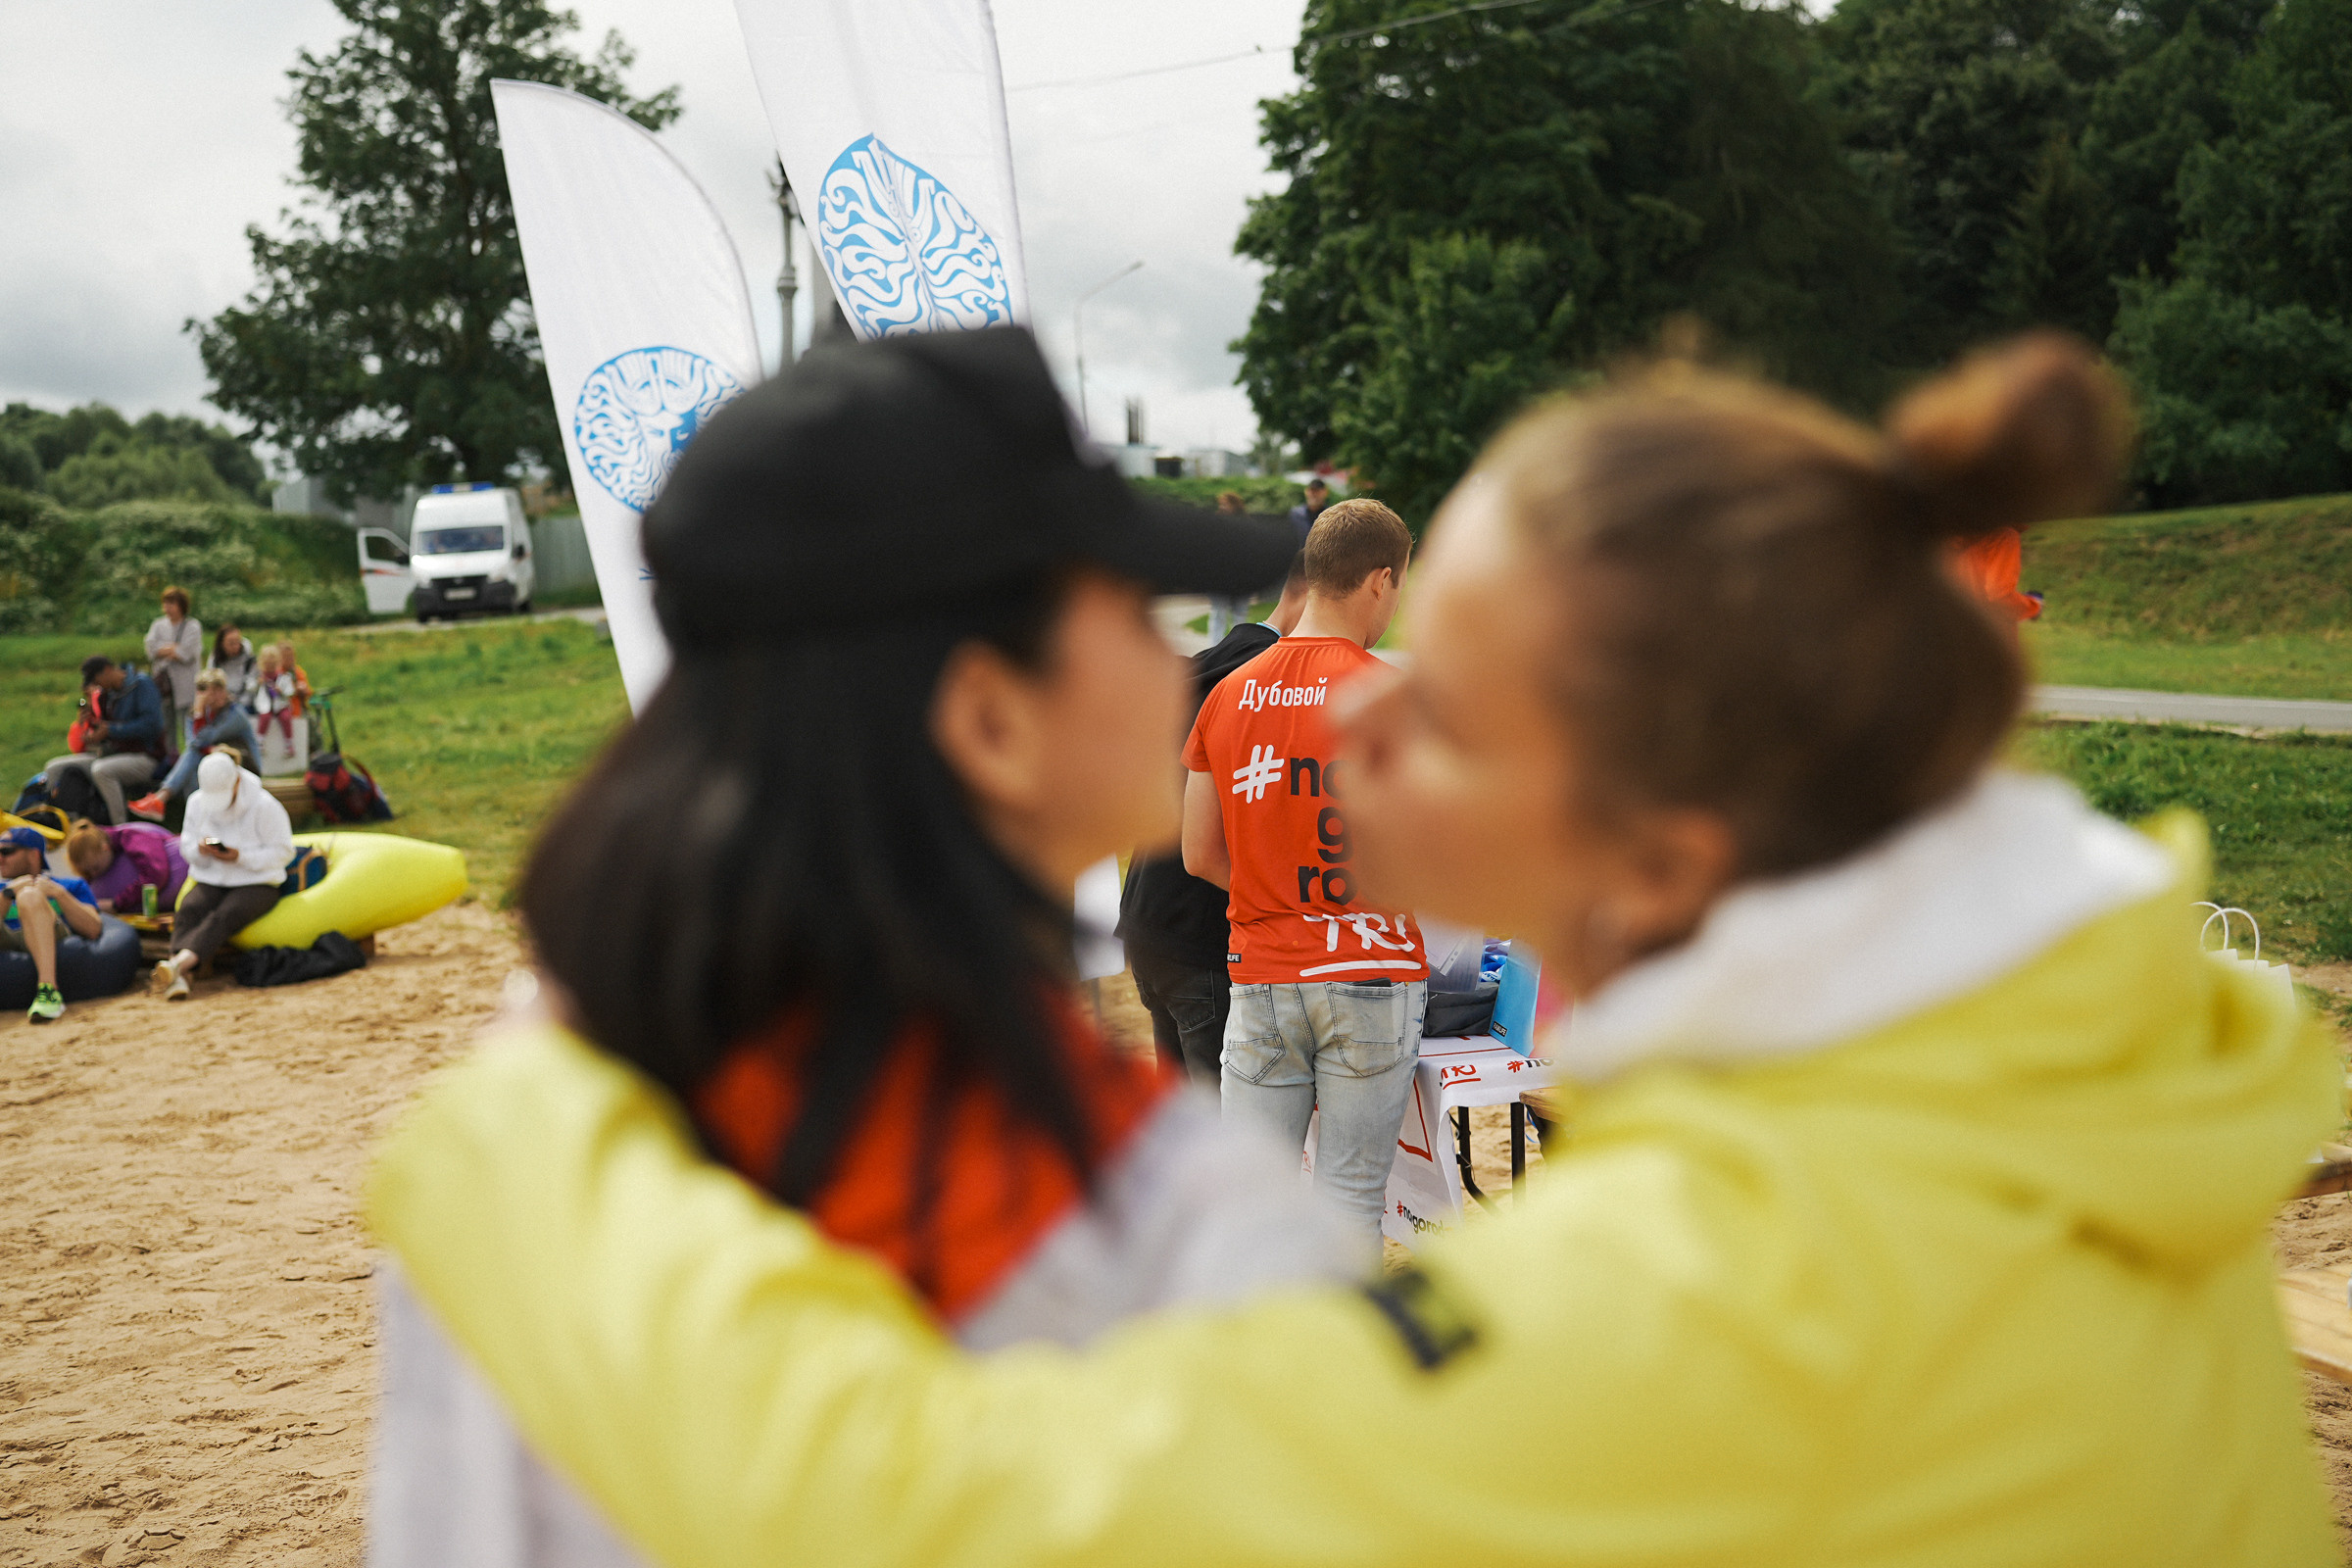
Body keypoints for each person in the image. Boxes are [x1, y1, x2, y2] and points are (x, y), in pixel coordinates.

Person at [368, 333, 2338, 1566]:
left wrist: (518, 1149)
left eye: (1447, 700)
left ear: (1664, 846)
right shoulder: (2060, 1092)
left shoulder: (1733, 1285)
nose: (1352, 715)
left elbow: (939, 1509)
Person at [363, 326, 1356, 1566]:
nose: (1173, 662)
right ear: (992, 718)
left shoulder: (527, 1119)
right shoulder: (1164, 1226)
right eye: (1130, 608)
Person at [1182, 498, 1423, 1243]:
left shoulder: (1228, 692)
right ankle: (1339, 1359)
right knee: (1350, 1200)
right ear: (1380, 580)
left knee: (1257, 1207)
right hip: (1371, 969)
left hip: (1262, 974)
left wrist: (1276, 889)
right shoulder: (1393, 698)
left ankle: (1264, 1355)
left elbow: (1199, 854)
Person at [1120, 553, 1311, 1085]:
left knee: (1187, 1130)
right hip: (1198, 928)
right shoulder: (1268, 683)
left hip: (1148, 918)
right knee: (1221, 1133)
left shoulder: (1210, 660)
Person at [156, 752, 293, 1002]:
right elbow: (186, 847)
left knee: (226, 914)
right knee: (190, 907)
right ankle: (181, 976)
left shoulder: (265, 805)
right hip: (212, 877)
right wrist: (201, 850)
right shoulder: (197, 803)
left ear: (238, 781)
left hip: (258, 882)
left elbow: (284, 852)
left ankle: (178, 965)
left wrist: (240, 856)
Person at [126, 668, 260, 822]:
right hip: (215, 764)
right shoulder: (197, 713)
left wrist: (199, 714)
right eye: (212, 691)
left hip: (245, 765)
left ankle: (162, 797)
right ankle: (199, 822)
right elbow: (194, 743)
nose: (219, 695)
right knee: (193, 773)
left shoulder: (236, 713)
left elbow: (201, 740)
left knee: (193, 754)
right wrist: (200, 720)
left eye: (220, 689)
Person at [0, 825, 103, 1023]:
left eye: (7, 851)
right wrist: (7, 895)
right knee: (25, 893)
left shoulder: (70, 885)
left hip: (53, 936)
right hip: (9, 939)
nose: (0, 858)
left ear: (33, 854)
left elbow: (93, 928)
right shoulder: (3, 889)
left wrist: (58, 894)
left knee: (30, 896)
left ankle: (48, 991)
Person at [44, 656, 165, 824]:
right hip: (111, 754)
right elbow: (103, 728)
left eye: (96, 679)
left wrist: (111, 730)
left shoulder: (142, 684)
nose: (96, 685)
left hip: (146, 757)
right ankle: (57, 824)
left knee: (102, 770)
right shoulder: (105, 696)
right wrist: (90, 728)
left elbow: (152, 725)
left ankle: (120, 829)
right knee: (53, 767)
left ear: (107, 670)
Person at [64, 818, 187, 914]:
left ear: (105, 848)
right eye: (88, 872)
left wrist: (117, 903)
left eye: (95, 868)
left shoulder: (132, 838)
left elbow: (156, 873)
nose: (94, 875)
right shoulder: (104, 850)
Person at [143, 585, 202, 749]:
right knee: (166, 725)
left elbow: (186, 653)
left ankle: (191, 756)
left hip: (185, 683)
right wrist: (172, 647)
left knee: (188, 724)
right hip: (164, 684)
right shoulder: (158, 625)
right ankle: (171, 759)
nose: (167, 608)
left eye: (171, 603)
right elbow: (150, 648)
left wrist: (165, 649)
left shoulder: (192, 626)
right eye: (165, 603)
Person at [210, 623, 259, 709]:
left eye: (237, 642)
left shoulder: (249, 660)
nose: (235, 646)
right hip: (222, 702)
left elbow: (252, 685)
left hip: (245, 704)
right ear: (222, 644)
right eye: (231, 643)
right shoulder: (215, 661)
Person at [1287, 475, 1330, 546]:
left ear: (1325, 492)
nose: (1314, 494)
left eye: (1317, 491)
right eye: (1312, 491)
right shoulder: (1296, 515)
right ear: (1306, 492)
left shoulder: (1330, 516)